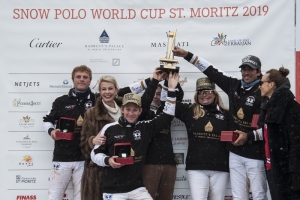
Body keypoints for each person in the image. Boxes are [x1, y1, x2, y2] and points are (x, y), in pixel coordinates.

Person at [173, 47, 268, 199]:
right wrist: (186, 55)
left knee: (258, 194)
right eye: (244, 69)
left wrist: (249, 136)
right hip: (235, 153)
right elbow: (210, 70)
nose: (246, 73)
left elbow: (269, 128)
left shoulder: (264, 91)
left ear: (258, 71)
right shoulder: (234, 85)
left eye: (251, 69)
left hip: (254, 153)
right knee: (238, 196)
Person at [91, 72, 179, 200]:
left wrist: (171, 89)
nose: (131, 113)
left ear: (140, 111)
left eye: (135, 110)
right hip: (113, 190)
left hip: (137, 189)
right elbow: (94, 154)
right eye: (128, 109)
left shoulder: (145, 127)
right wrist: (108, 161)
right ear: (122, 110)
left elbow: (168, 114)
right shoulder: (109, 128)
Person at [162, 77, 230, 200]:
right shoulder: (190, 111)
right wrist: (169, 82)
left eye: (208, 91)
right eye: (200, 92)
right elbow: (167, 104)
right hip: (196, 167)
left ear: (214, 93)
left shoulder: (226, 114)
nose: (204, 95)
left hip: (220, 166)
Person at [43, 65, 96, 200]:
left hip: (85, 158)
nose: (82, 80)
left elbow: (117, 93)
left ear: (90, 80)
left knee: (81, 197)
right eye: (78, 77)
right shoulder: (61, 101)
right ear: (73, 79)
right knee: (54, 196)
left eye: (85, 77)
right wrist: (52, 131)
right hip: (62, 156)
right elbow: (47, 120)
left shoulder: (97, 100)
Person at [258, 66, 300, 200]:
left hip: (286, 170)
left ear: (271, 85)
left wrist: (295, 172)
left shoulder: (291, 107)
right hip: (272, 168)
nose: (259, 86)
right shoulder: (268, 106)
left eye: (262, 82)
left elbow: (296, 143)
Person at [142, 79, 183, 200]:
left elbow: (178, 96)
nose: (155, 96)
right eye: (153, 93)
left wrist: (169, 77)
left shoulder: (167, 110)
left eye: (159, 94)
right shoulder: (141, 112)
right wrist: (154, 81)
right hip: (148, 163)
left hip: (169, 163)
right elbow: (144, 102)